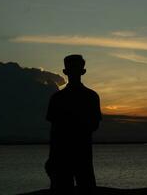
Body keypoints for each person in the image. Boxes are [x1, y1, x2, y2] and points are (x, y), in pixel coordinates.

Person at [45, 54, 102, 195]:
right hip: (79, 156)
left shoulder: (58, 98)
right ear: (83, 71)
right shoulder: (91, 96)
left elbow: (54, 131)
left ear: (65, 72)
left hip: (65, 156)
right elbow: (94, 125)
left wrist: (52, 158)